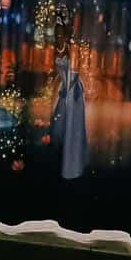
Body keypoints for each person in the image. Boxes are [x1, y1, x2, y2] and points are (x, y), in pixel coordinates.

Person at [49, 22, 87, 181]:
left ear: (64, 35)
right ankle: (59, 158)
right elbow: (57, 73)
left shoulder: (71, 49)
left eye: (60, 34)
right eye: (56, 34)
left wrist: (69, 89)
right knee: (59, 124)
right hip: (64, 89)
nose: (58, 37)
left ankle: (71, 162)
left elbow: (76, 72)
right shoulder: (54, 49)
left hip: (73, 88)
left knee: (71, 124)